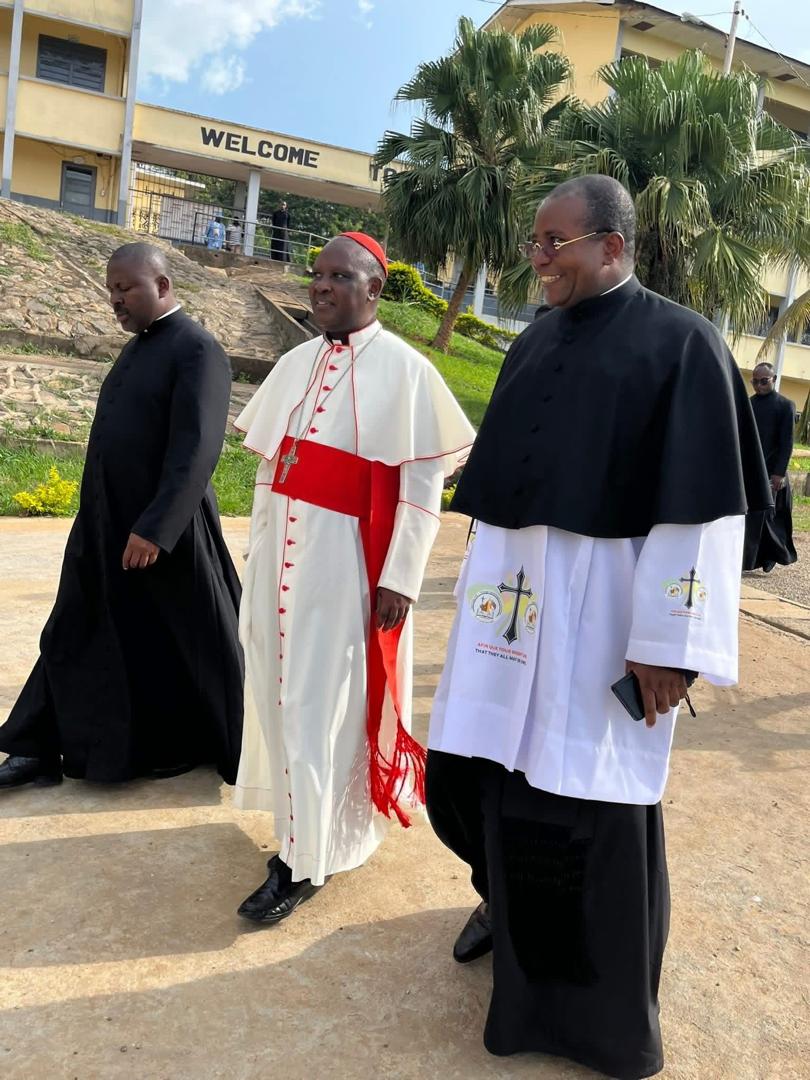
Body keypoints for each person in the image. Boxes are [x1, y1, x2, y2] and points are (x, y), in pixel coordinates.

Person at [427, 176, 771, 1080]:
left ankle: (600, 1018)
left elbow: (702, 518)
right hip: (511, 616)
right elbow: (502, 497)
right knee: (484, 776)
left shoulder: (682, 343)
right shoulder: (533, 341)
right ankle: (503, 909)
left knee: (589, 802)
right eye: (535, 243)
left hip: (607, 617)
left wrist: (670, 646)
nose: (537, 258)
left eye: (555, 243)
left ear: (613, 246)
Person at [232, 232, 475, 924]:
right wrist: (259, 549)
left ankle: (305, 863)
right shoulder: (297, 361)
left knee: (319, 701)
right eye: (318, 274)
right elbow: (270, 472)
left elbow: (424, 488)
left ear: (375, 289)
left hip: (345, 562)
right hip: (283, 556)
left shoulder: (407, 370)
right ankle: (299, 830)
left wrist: (401, 577)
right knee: (281, 695)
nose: (323, 285)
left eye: (341, 276)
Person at [0, 243, 243, 790]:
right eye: (111, 288)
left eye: (125, 287)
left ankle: (193, 744)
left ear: (161, 285)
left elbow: (197, 449)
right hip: (104, 525)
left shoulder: (197, 348)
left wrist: (156, 529)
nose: (115, 299)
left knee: (182, 649)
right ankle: (36, 745)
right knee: (72, 628)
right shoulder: (139, 347)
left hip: (164, 536)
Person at [742, 361, 797, 572]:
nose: (759, 386)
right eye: (755, 381)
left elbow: (787, 443)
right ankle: (751, 559)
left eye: (763, 381)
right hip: (753, 471)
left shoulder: (785, 405)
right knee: (753, 519)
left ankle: (771, 557)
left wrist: (778, 474)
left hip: (773, 473)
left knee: (772, 520)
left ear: (773, 379)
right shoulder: (749, 404)